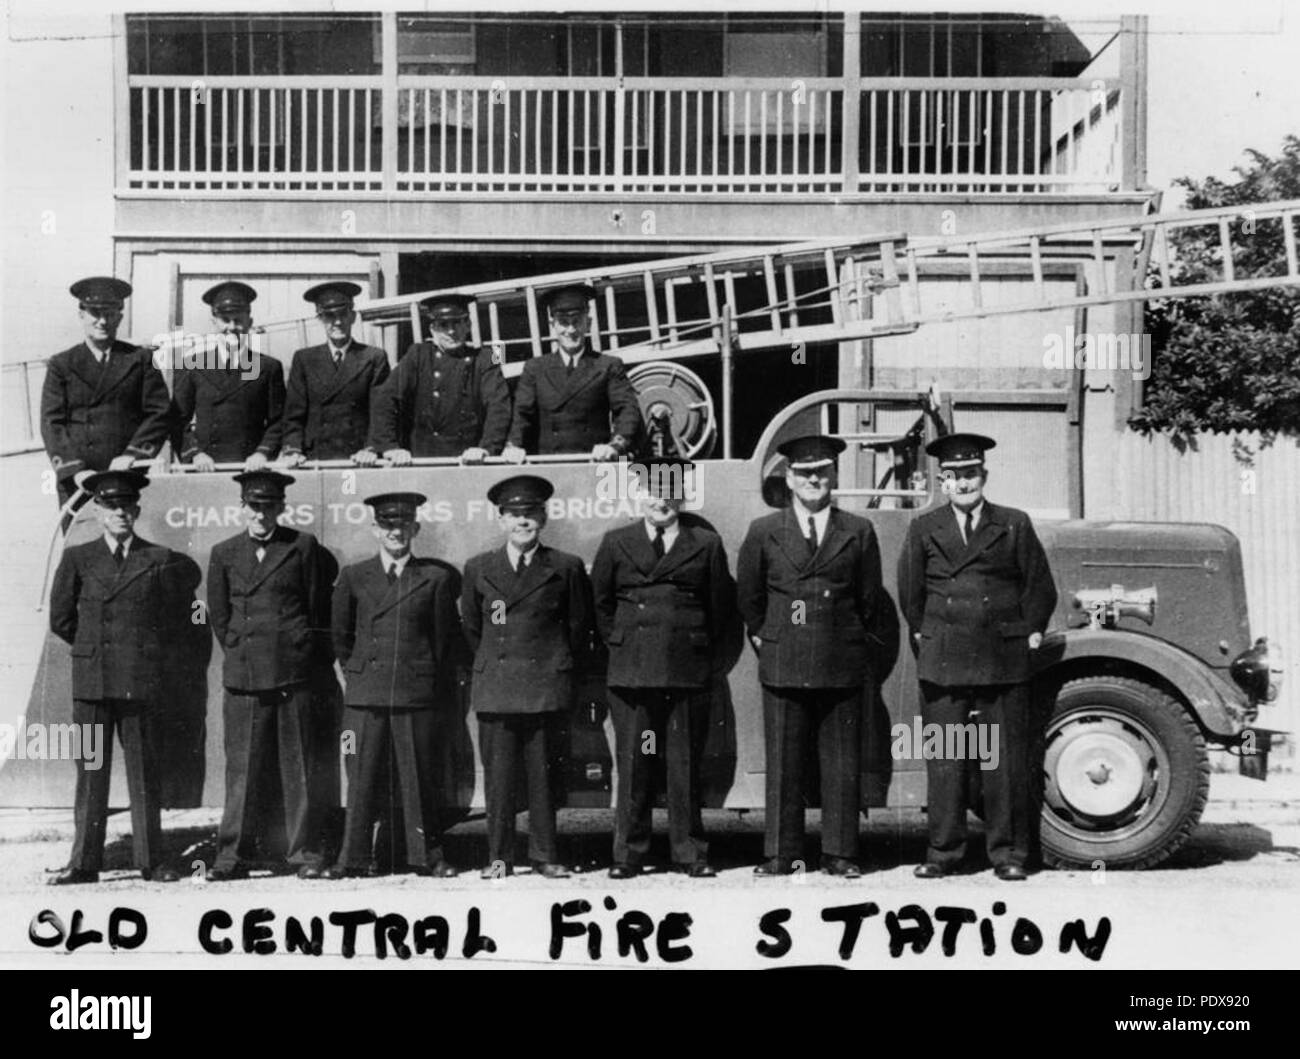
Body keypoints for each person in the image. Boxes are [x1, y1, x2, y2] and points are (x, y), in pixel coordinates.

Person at [897, 433, 1058, 881]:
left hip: (1002, 657)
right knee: (947, 760)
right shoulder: (923, 528)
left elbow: (1039, 586)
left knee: (1001, 761)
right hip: (945, 656)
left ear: (983, 476)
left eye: (970, 473)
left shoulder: (1014, 523)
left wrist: (1030, 631)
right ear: (943, 481)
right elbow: (911, 593)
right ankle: (943, 852)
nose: (963, 482)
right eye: (954, 476)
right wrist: (927, 634)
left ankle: (1008, 855)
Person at [736, 435, 883, 878]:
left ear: (834, 476)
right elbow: (750, 596)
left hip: (840, 660)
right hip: (785, 661)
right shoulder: (765, 531)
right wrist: (767, 636)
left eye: (821, 472)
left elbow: (869, 599)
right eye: (804, 473)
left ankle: (840, 853)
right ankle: (783, 853)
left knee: (841, 763)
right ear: (789, 478)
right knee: (784, 763)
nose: (813, 480)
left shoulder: (857, 530)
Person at [47, 470, 201, 883]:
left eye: (126, 506)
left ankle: (152, 860)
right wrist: (96, 649)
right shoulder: (78, 557)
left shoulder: (159, 560)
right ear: (97, 511)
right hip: (93, 684)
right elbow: (62, 619)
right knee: (92, 773)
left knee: (145, 773)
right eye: (111, 506)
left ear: (136, 510)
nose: (120, 513)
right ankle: (84, 863)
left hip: (140, 682)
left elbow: (173, 624)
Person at [591, 458, 736, 878]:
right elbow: (600, 605)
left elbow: (720, 608)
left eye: (671, 493)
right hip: (631, 671)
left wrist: (698, 652)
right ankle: (628, 855)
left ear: (683, 497)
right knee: (634, 763)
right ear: (640, 497)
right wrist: (621, 643)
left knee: (683, 764)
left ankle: (690, 852)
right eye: (654, 493)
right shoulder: (616, 542)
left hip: (684, 671)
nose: (662, 501)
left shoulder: (705, 543)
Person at [204, 470, 338, 880]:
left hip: (292, 673)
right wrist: (244, 651)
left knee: (298, 767)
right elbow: (220, 616)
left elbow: (317, 612)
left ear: (281, 508)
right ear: (242, 508)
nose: (260, 514)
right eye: (253, 506)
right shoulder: (223, 552)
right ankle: (232, 856)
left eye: (268, 506)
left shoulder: (302, 547)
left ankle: (302, 852)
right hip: (245, 674)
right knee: (242, 769)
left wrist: (296, 649)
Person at [461, 475, 593, 878]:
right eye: (515, 514)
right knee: (499, 782)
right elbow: (472, 629)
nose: (523, 521)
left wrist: (555, 668)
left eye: (531, 513)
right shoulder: (479, 567)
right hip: (498, 689)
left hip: (545, 687)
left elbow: (578, 627)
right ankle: (499, 858)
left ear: (545, 518)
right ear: (501, 519)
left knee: (543, 777)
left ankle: (545, 855)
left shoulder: (566, 567)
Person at [325, 492, 461, 878]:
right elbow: (341, 635)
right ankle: (351, 858)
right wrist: (358, 671)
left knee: (418, 777)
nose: (395, 532)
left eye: (403, 525)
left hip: (414, 692)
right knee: (361, 776)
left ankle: (427, 857)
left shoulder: (435, 578)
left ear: (415, 529)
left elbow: (442, 641)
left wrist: (422, 676)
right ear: (375, 530)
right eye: (387, 525)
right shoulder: (353, 576)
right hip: (366, 692)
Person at [40, 277, 170, 509]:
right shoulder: (62, 364)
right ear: (81, 315)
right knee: (81, 543)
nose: (102, 321)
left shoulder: (140, 360)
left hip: (126, 473)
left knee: (127, 536)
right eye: (95, 313)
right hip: (79, 478)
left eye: (109, 314)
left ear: (119, 317)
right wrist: (74, 470)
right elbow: (52, 423)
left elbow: (158, 413)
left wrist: (133, 456)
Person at [503, 284, 642, 461]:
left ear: (588, 323)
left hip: (594, 462)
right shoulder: (535, 368)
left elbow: (627, 410)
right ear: (552, 325)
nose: (571, 330)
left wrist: (615, 446)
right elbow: (521, 415)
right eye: (563, 323)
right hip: (549, 465)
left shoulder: (608, 365)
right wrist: (513, 446)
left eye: (577, 321)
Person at [368, 293, 511, 464]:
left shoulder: (487, 358)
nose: (451, 331)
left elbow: (499, 407)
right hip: (421, 459)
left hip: (469, 459)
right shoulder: (418, 355)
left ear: (468, 325)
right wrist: (390, 447)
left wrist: (486, 448)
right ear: (432, 330)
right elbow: (386, 399)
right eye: (444, 325)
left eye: (457, 323)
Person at [170, 281, 285, 471]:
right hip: (206, 467)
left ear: (249, 322)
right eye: (225, 319)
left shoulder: (268, 367)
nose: (232, 327)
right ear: (214, 322)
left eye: (238, 320)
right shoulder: (192, 365)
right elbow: (177, 420)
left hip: (251, 467)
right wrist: (195, 455)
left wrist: (262, 453)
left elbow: (278, 421)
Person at [281, 281, 389, 466]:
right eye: (329, 316)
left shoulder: (373, 357)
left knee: (349, 493)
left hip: (358, 458)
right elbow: (293, 414)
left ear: (353, 316)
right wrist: (293, 450)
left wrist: (371, 448)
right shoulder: (304, 359)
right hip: (313, 457)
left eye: (343, 314)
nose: (337, 322)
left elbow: (380, 411)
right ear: (320, 319)